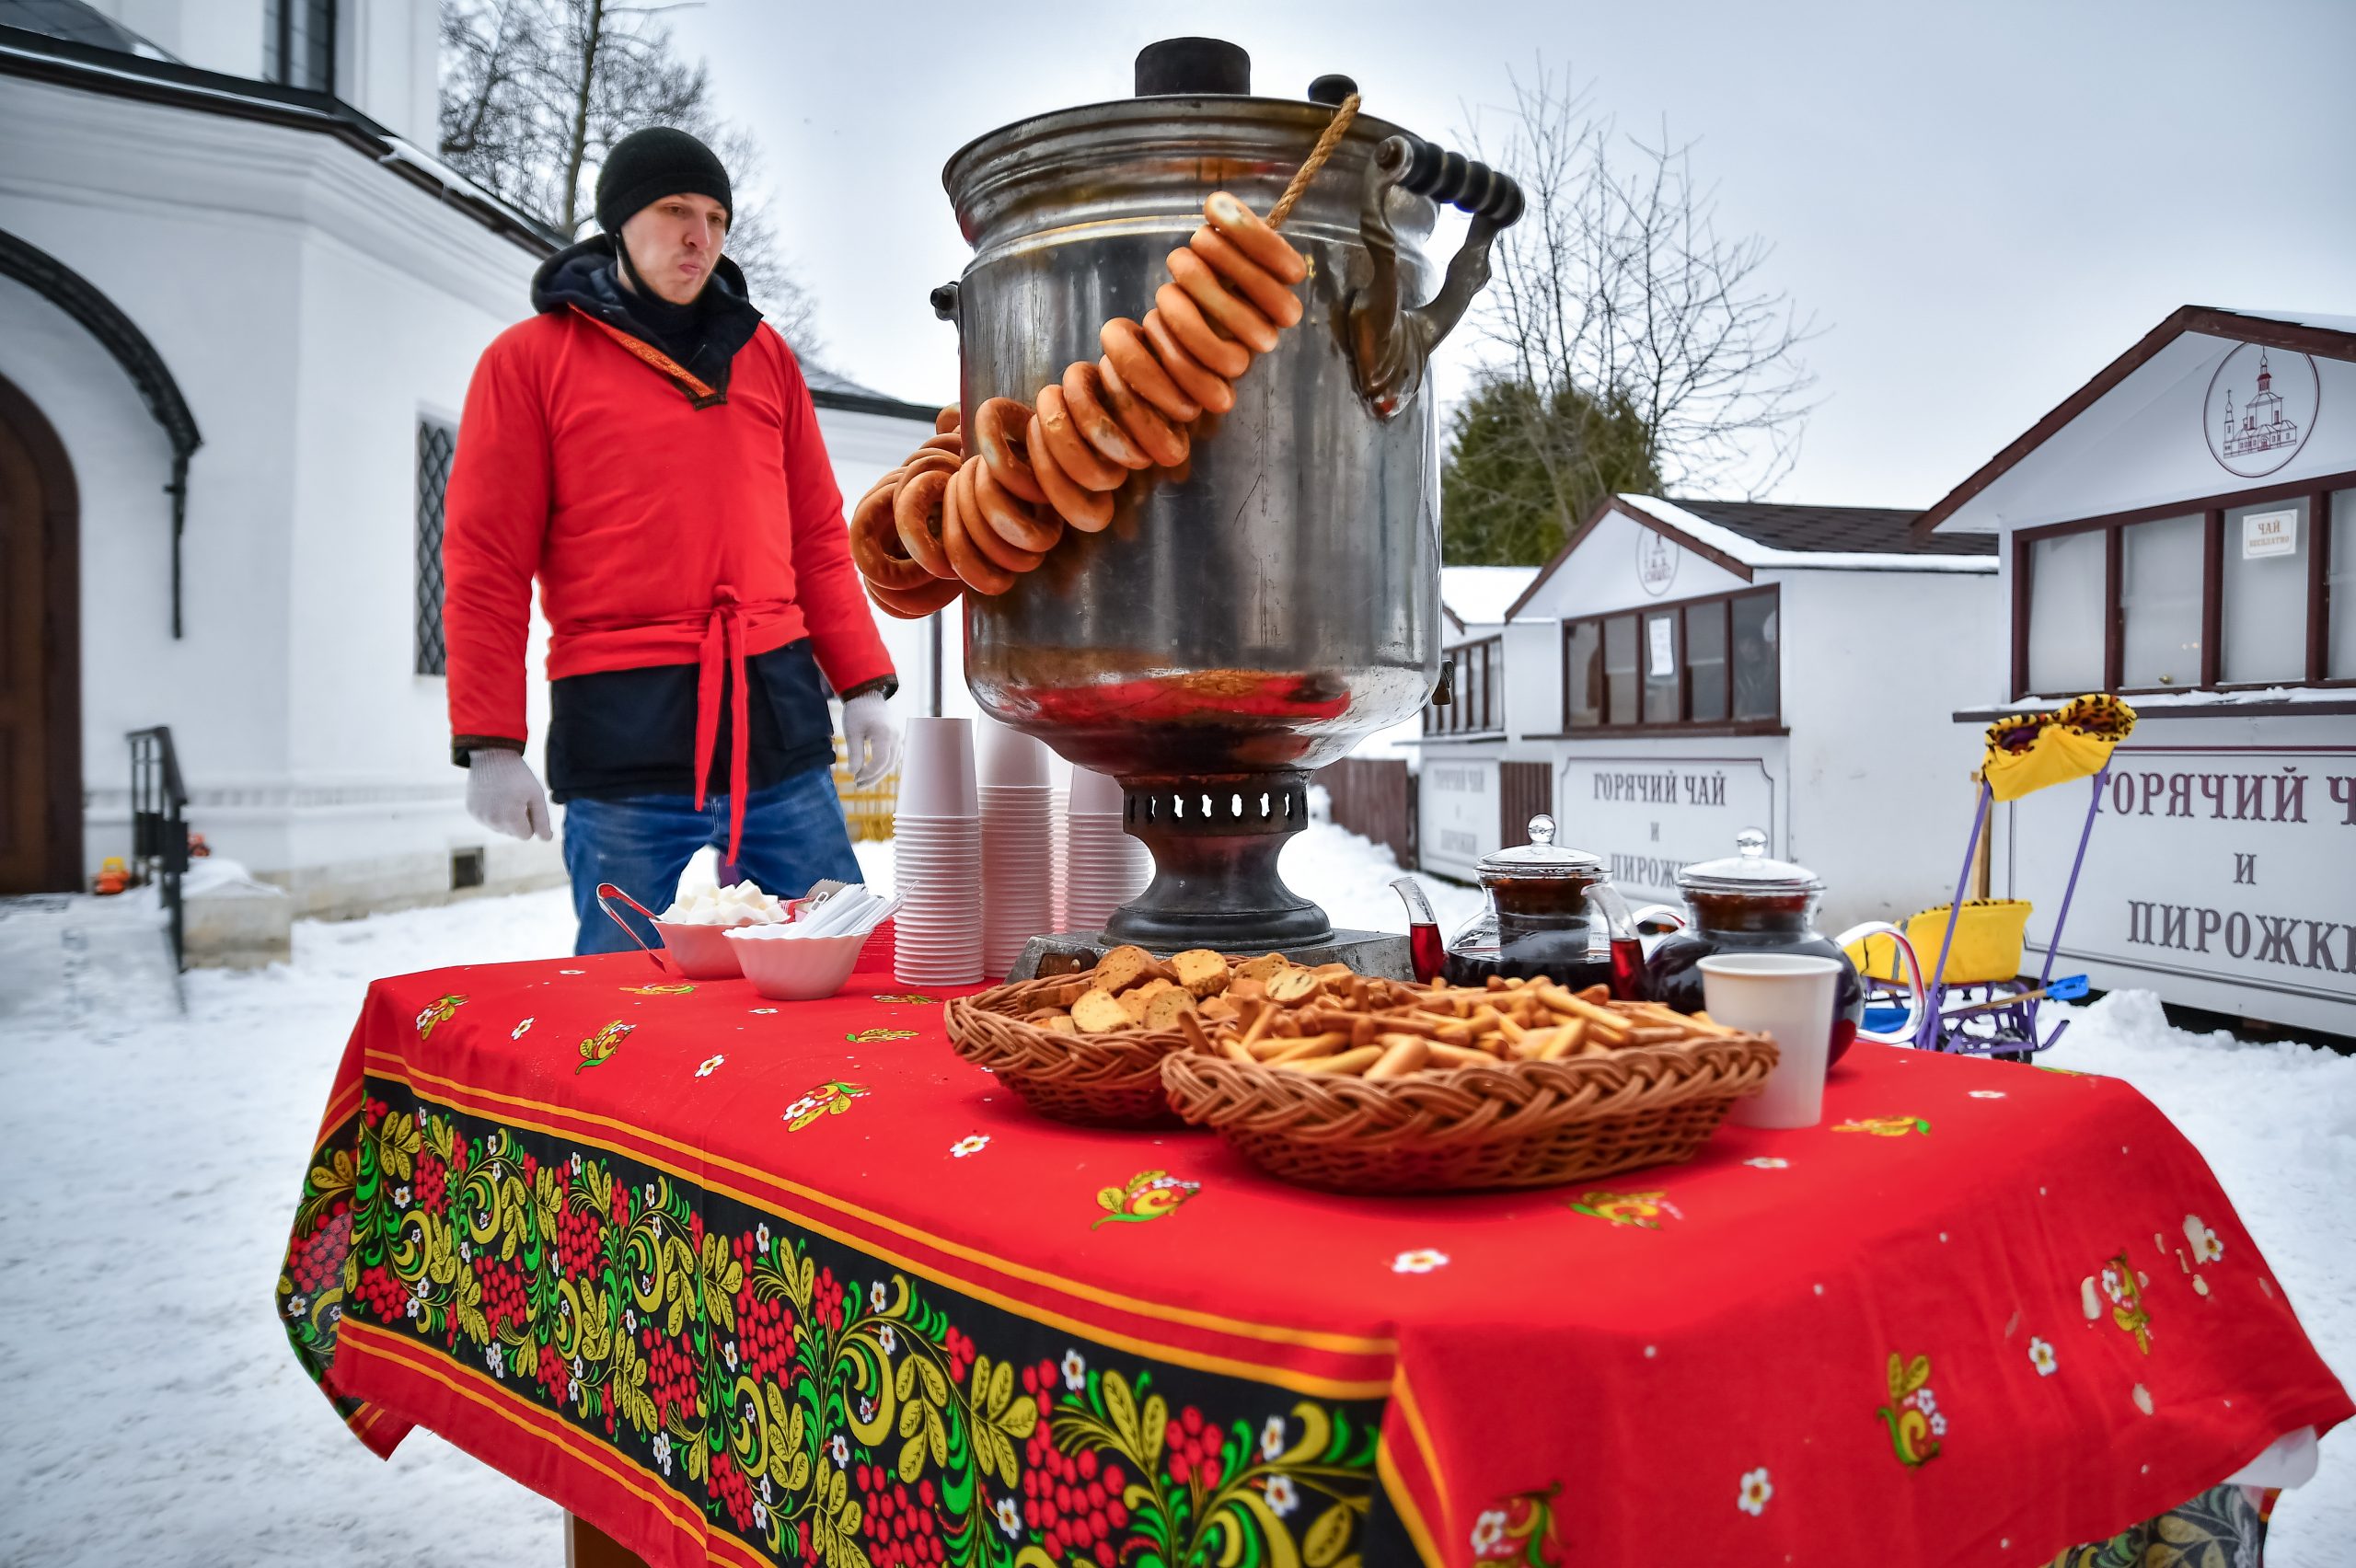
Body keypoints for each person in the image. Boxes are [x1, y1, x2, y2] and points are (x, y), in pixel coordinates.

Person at [441, 126, 898, 955]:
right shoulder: (529, 363)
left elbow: (817, 538)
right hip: (624, 734)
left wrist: (862, 681)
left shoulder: (766, 358)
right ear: (619, 220)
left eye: (718, 218)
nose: (701, 237)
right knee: (626, 990)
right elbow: (487, 565)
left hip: (778, 728)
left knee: (834, 962)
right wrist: (491, 744)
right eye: (676, 210)